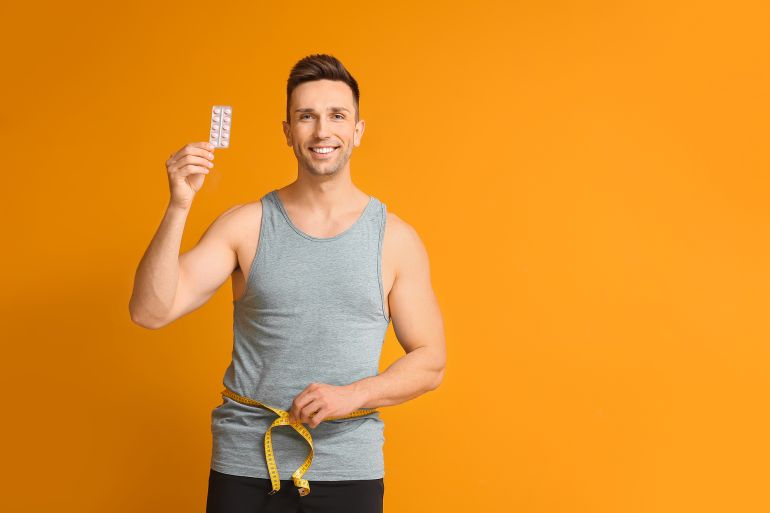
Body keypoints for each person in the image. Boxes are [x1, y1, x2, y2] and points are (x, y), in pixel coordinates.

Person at [129, 53, 446, 513]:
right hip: (244, 468)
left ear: (357, 130)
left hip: (348, 472)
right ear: (287, 132)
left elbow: (431, 361)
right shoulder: (245, 226)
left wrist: (351, 395)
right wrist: (179, 205)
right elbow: (150, 311)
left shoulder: (394, 238)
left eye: (337, 116)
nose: (322, 131)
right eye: (306, 117)